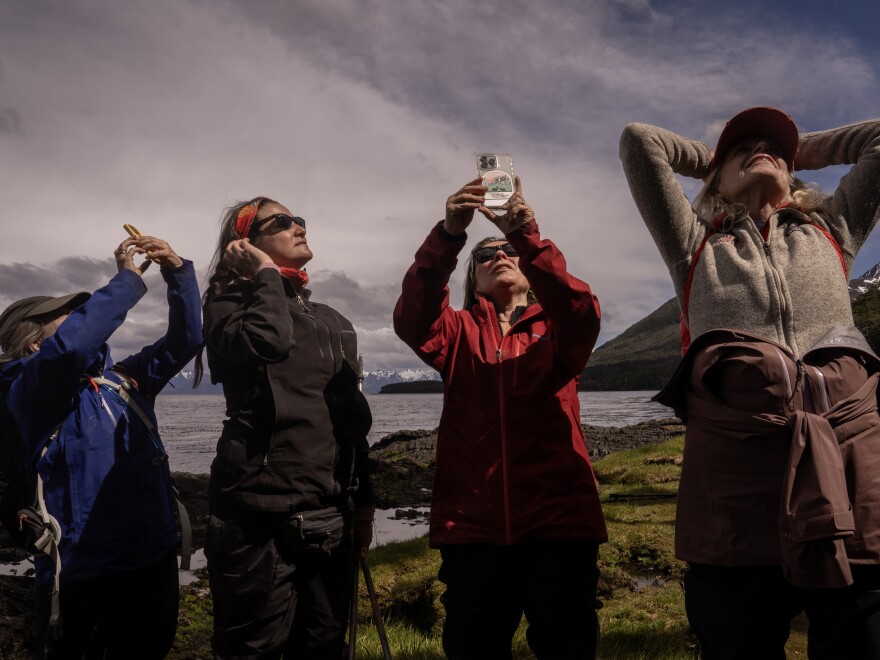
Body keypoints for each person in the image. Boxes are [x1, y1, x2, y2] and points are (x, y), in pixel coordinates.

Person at [620, 107, 880, 657]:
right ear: (714, 178)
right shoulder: (693, 246)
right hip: (733, 486)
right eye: (743, 149)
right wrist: (727, 155)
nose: (760, 150)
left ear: (795, 174)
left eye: (774, 151)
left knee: (863, 640)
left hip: (846, 465)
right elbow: (641, 142)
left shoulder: (834, 230)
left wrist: (792, 150)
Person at [393, 176, 607, 659]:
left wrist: (524, 232)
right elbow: (412, 317)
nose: (499, 257)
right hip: (472, 526)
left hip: (559, 521)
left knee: (567, 644)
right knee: (475, 647)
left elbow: (580, 309)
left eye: (507, 252)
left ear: (529, 271)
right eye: (485, 256)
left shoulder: (559, 331)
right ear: (472, 280)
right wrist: (449, 234)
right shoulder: (455, 331)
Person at [0, 233, 202, 659]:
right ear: (35, 342)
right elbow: (69, 350)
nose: (80, 316)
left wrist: (177, 272)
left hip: (154, 559)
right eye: (68, 313)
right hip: (80, 572)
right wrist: (126, 281)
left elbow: (185, 340)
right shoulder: (28, 390)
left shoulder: (123, 381)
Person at [198, 196, 374, 659]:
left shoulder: (334, 322)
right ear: (246, 243)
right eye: (281, 221)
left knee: (324, 646)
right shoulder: (226, 304)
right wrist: (266, 276)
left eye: (300, 219)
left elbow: (352, 423)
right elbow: (267, 341)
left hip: (329, 516)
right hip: (256, 519)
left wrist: (365, 506)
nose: (298, 226)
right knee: (253, 650)